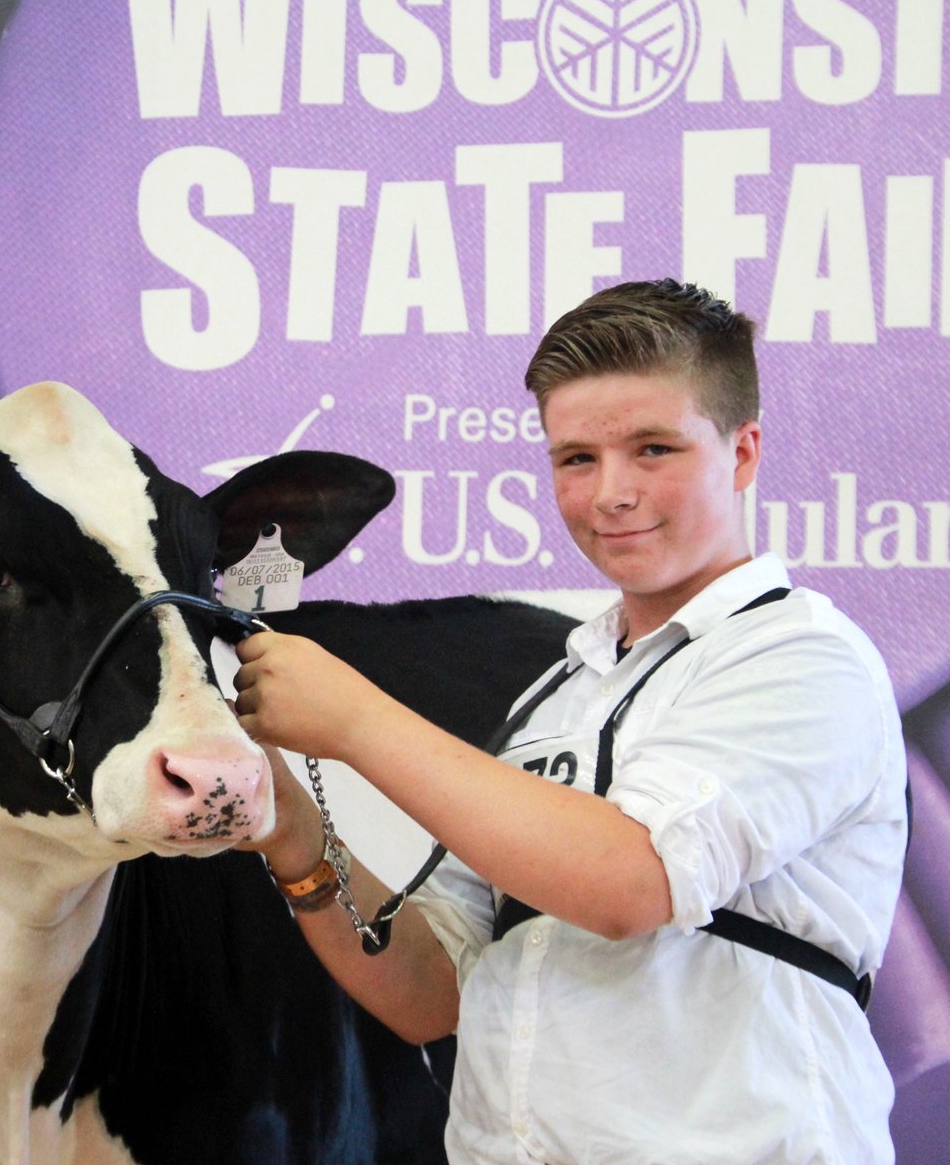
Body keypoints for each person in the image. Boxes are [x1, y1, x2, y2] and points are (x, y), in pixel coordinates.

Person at [233, 279, 907, 1164]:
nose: (611, 493)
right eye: (576, 458)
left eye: (653, 448)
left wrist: (354, 718)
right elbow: (431, 991)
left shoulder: (802, 655)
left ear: (742, 453)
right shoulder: (552, 698)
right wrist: (288, 827)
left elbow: (630, 883)